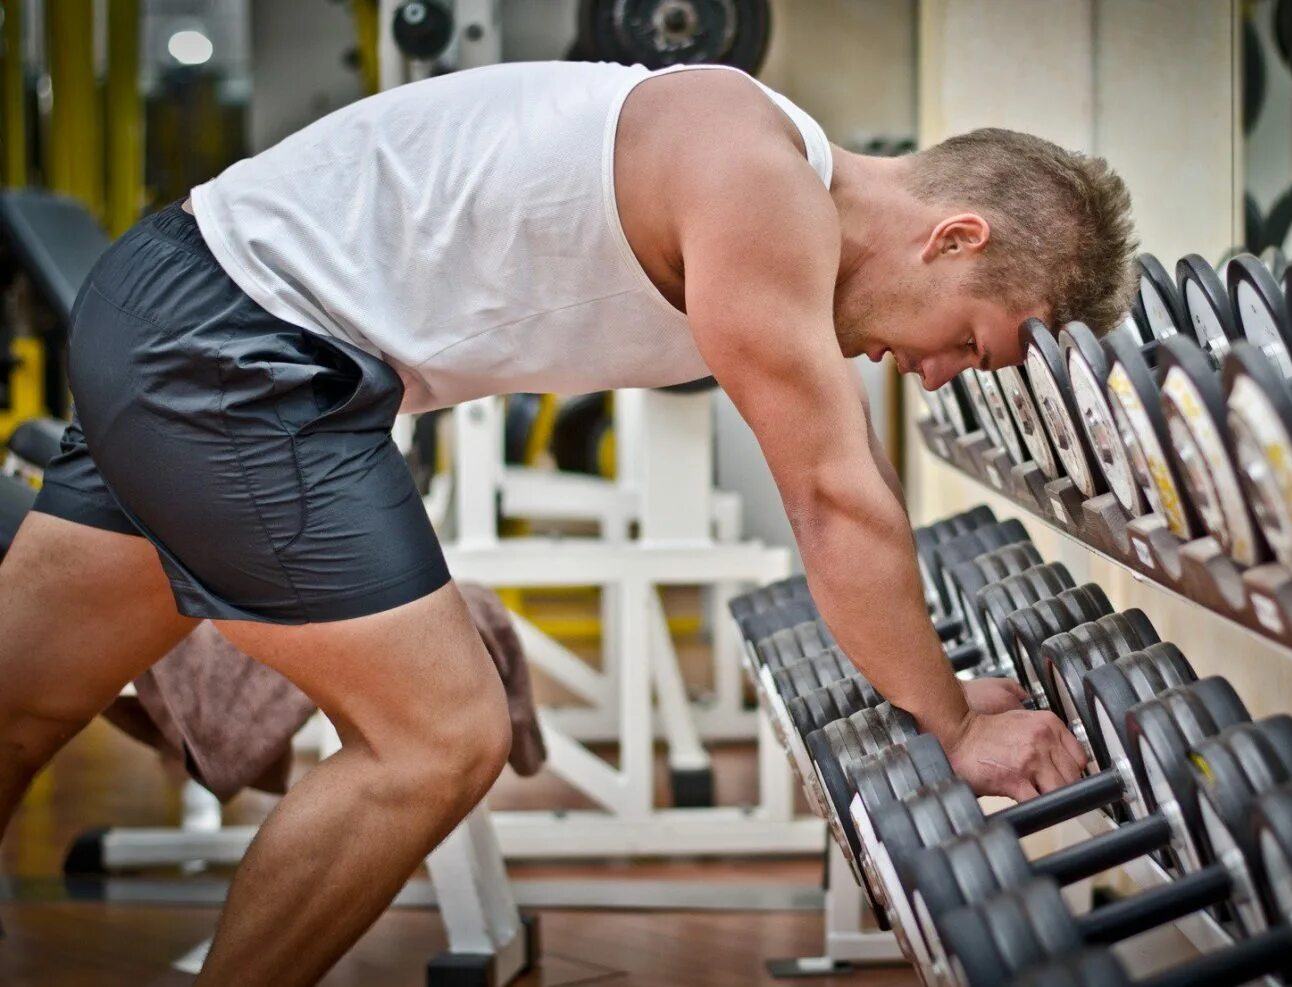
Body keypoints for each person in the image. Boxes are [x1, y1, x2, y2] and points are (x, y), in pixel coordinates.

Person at [0, 61, 1136, 985]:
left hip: (178, 301)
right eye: (973, 343)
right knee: (440, 737)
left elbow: (853, 473)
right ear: (955, 239)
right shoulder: (755, 180)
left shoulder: (756, 160)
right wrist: (947, 722)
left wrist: (932, 682)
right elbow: (836, 494)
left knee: (21, 706)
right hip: (244, 353)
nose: (940, 378)